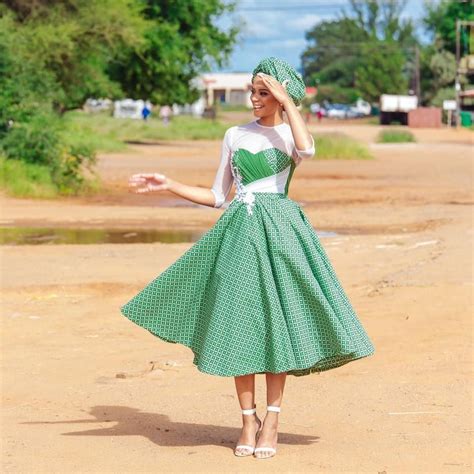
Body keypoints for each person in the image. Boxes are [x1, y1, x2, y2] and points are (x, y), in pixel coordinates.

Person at [121, 57, 375, 460]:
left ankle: (272, 420)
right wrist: (168, 184)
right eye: (252, 92)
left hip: (281, 236)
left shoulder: (292, 137)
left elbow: (307, 149)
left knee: (275, 325)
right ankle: (247, 420)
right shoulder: (234, 134)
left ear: (281, 96)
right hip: (239, 235)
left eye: (263, 93)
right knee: (240, 325)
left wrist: (288, 103)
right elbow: (218, 197)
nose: (254, 100)